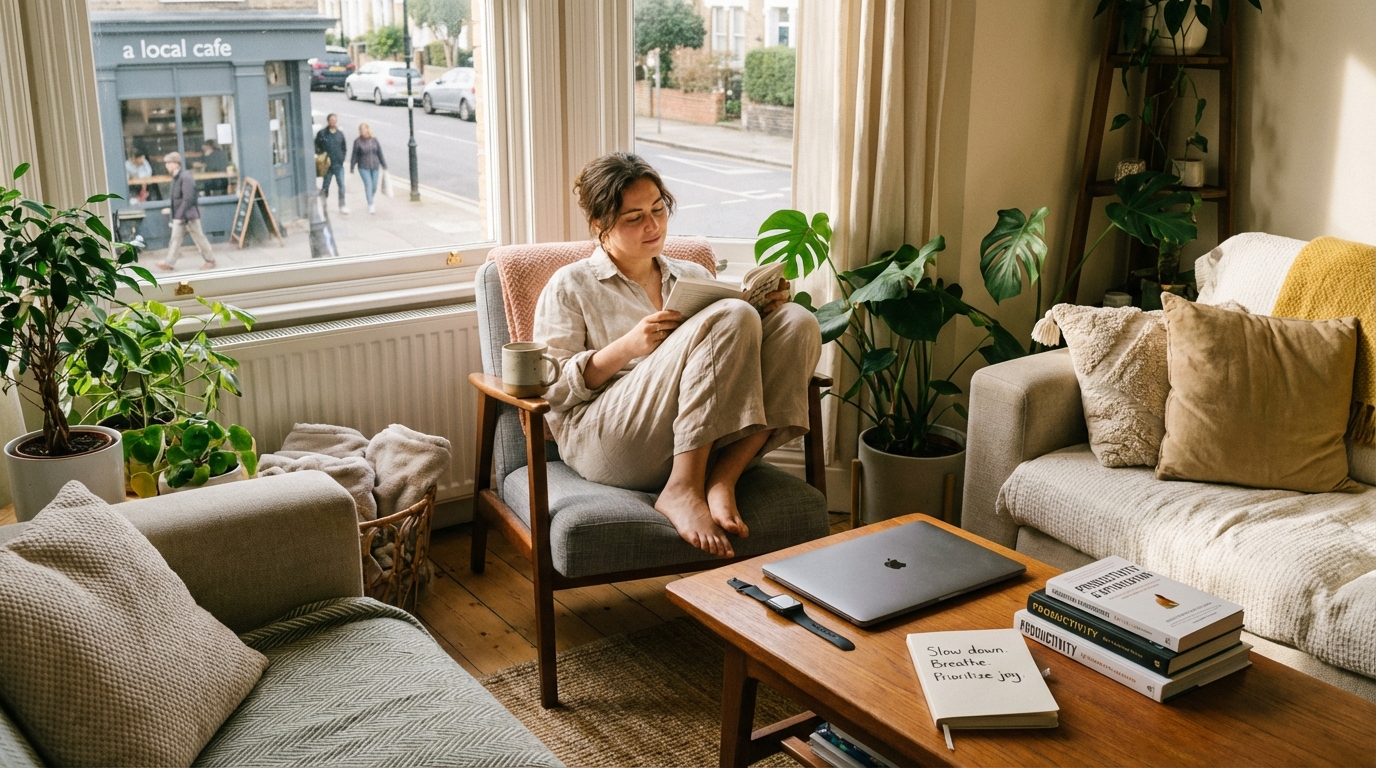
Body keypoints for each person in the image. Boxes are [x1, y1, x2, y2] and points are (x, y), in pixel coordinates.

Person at [533, 152, 822, 558]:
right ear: (600, 223)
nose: (652, 226)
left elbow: (723, 357)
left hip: (697, 436)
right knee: (733, 314)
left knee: (797, 321)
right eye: (634, 218)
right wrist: (627, 348)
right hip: (608, 441)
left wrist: (763, 311)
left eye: (658, 210)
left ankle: (723, 478)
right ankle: (682, 488)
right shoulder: (570, 285)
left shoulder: (692, 276)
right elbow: (552, 391)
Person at [155, 151, 216, 271]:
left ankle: (210, 260)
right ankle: (169, 263)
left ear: (177, 164)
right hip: (181, 216)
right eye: (166, 163)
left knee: (199, 238)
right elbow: (176, 199)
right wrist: (175, 215)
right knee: (175, 239)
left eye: (169, 163)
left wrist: (179, 215)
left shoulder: (185, 176)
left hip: (189, 216)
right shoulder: (177, 177)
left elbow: (189, 198)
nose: (167, 166)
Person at [349, 122, 388, 214]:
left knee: (374, 186)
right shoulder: (357, 141)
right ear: (360, 131)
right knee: (368, 185)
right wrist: (352, 167)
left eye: (365, 129)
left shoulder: (374, 140)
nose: (363, 131)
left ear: (368, 129)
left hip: (375, 166)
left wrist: (384, 165)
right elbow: (354, 155)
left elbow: (379, 153)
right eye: (361, 130)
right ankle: (371, 205)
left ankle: (370, 198)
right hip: (363, 167)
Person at [314, 113, 349, 214]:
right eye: (331, 120)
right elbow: (316, 145)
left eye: (335, 120)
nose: (333, 121)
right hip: (327, 165)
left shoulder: (340, 134)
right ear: (328, 121)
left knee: (342, 185)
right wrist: (321, 155)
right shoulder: (322, 133)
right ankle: (323, 206)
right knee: (325, 186)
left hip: (338, 165)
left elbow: (344, 148)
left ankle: (342, 206)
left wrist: (342, 159)